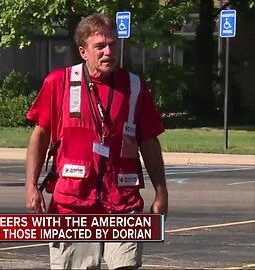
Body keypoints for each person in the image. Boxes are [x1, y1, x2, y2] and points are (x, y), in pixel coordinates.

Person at [25, 13, 168, 270]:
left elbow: (149, 141)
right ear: (83, 51)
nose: (108, 52)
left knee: (126, 265)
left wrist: (161, 190)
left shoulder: (134, 87)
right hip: (73, 204)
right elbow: (40, 136)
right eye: (100, 46)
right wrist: (31, 186)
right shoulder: (59, 83)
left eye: (113, 44)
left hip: (123, 201)